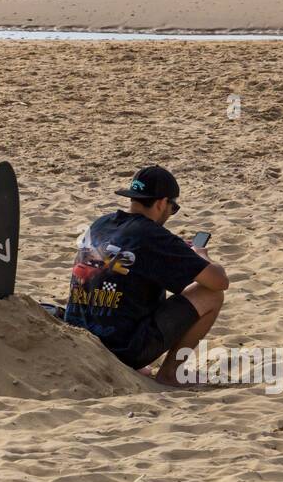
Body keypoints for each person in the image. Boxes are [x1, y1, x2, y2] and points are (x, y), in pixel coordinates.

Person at [63, 165, 228, 387]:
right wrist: (201, 255)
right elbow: (218, 281)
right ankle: (170, 374)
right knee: (211, 296)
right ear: (162, 203)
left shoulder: (101, 223)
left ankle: (135, 365)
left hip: (79, 339)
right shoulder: (152, 235)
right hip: (121, 348)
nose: (171, 213)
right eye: (173, 207)